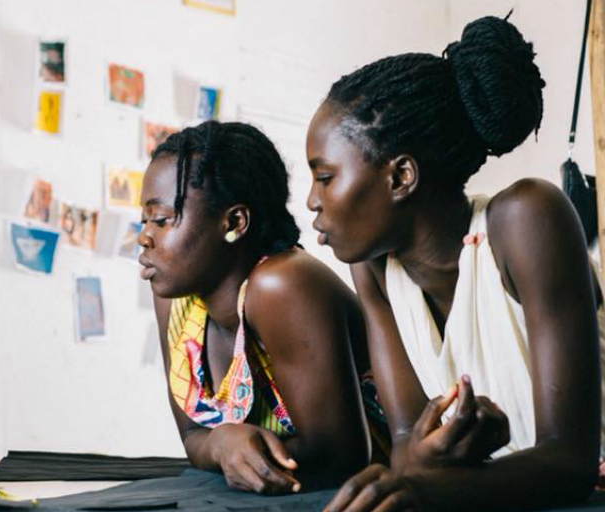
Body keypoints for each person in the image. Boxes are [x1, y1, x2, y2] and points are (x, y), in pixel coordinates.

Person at [305, 16, 605, 512]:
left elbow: (570, 462)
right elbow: (406, 444)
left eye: (325, 177)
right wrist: (431, 458)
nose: (313, 201)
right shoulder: (375, 270)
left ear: (400, 177)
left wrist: (426, 486)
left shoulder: (527, 220)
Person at [138, 120, 388, 494]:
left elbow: (343, 458)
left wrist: (229, 451)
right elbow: (193, 437)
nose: (144, 236)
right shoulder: (174, 301)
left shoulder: (283, 284)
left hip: (379, 490)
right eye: (144, 220)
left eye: (161, 219)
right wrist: (222, 444)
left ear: (234, 222)